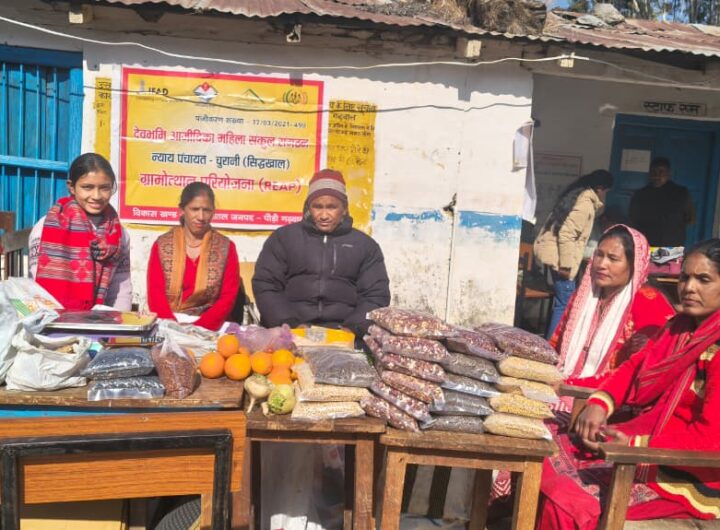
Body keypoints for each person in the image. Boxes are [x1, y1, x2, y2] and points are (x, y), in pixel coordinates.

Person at [536, 238, 720, 530]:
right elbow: (635, 368)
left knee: (567, 502)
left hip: (689, 475)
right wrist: (600, 403)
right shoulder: (678, 327)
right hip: (647, 447)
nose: (689, 287)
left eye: (703, 280)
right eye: (685, 278)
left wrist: (636, 444)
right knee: (546, 453)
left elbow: (711, 440)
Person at [252, 169, 390, 338]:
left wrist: (353, 329)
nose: (324, 215)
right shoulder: (283, 238)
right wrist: (290, 324)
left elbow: (375, 295)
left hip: (345, 333)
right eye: (317, 207)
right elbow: (266, 284)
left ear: (344, 209)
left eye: (332, 207)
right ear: (308, 208)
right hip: (290, 331)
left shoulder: (364, 245)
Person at [551, 225, 675, 389]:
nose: (602, 264)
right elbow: (556, 345)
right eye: (599, 255)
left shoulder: (649, 302)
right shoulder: (582, 297)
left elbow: (643, 368)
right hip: (564, 383)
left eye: (613, 259)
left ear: (634, 265)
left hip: (612, 394)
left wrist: (573, 385)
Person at [29, 153, 132, 310]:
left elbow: (121, 285)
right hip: (52, 317)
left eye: (104, 188)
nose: (96, 196)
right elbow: (37, 285)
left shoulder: (118, 234)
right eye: (87, 187)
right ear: (71, 187)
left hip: (101, 318)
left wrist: (120, 321)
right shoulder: (46, 228)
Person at [146, 182, 240, 330]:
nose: (201, 217)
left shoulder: (226, 248)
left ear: (213, 212)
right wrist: (173, 328)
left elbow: (227, 297)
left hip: (210, 327)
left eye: (206, 210)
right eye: (194, 209)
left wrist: (198, 328)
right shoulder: (162, 245)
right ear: (182, 210)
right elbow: (156, 296)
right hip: (169, 325)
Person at [534, 170, 614, 338]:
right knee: (564, 304)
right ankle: (552, 344)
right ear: (600, 189)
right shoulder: (585, 204)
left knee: (562, 303)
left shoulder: (577, 196)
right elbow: (567, 235)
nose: (605, 196)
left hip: (555, 256)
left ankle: (552, 343)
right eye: (606, 192)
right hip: (562, 261)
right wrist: (566, 266)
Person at [630, 157, 695, 247]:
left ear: (669, 173)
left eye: (661, 171)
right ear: (650, 174)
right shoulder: (640, 195)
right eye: (654, 172)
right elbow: (633, 219)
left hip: (672, 245)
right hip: (646, 244)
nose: (657, 175)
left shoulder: (681, 193)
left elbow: (690, 218)